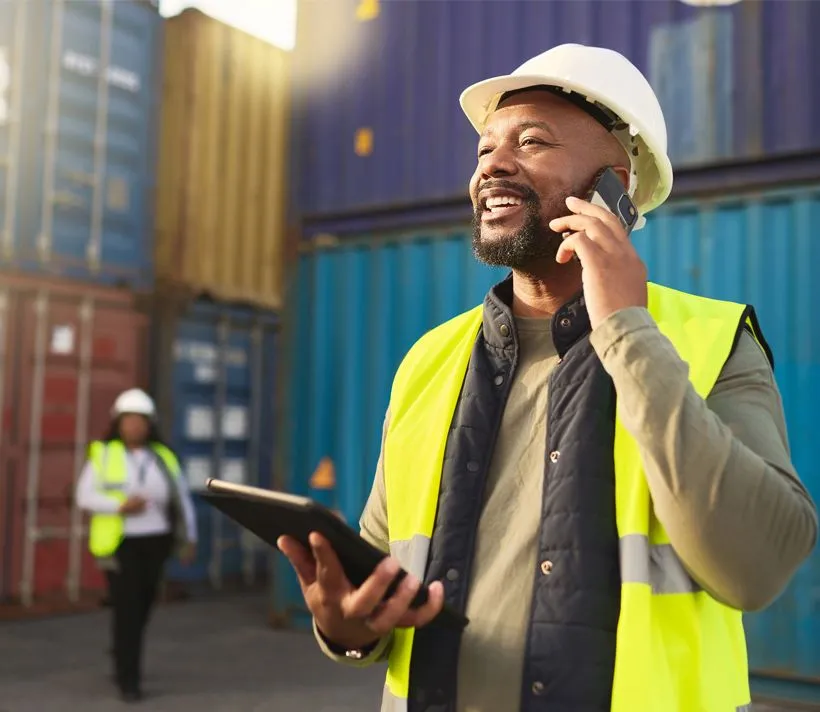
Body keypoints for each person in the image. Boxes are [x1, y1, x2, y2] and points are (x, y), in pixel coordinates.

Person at [278, 44, 819, 712]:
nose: (493, 166)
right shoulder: (431, 360)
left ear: (614, 183)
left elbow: (755, 565)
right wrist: (346, 627)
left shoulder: (711, 342)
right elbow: (384, 581)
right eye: (483, 150)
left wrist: (626, 327)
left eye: (531, 142)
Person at [76, 388, 198, 703]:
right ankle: (129, 680)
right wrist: (120, 506)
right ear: (118, 423)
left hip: (156, 541)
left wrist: (191, 537)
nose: (133, 426)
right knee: (128, 610)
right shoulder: (103, 454)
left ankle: (121, 652)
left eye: (139, 421)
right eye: (127, 420)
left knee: (143, 606)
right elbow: (84, 496)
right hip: (122, 544)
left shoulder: (164, 456)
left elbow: (181, 498)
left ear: (149, 424)